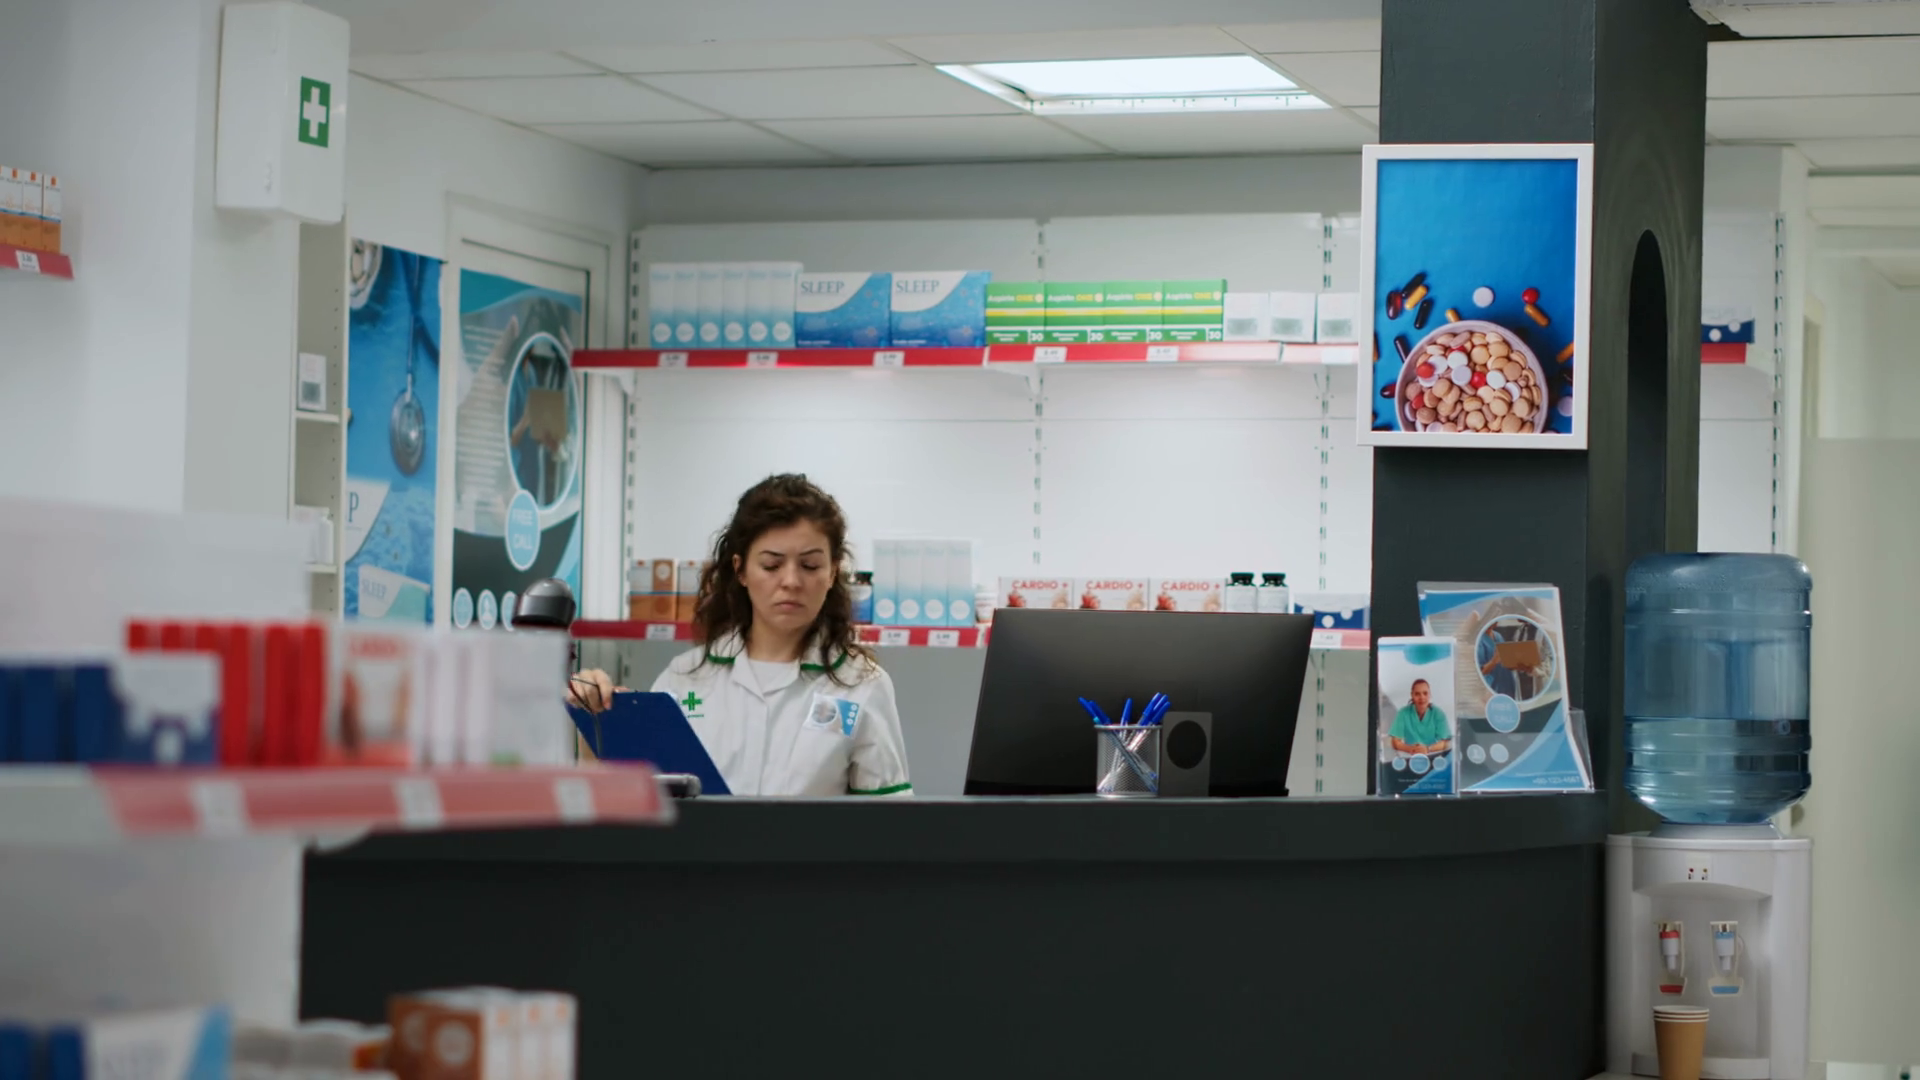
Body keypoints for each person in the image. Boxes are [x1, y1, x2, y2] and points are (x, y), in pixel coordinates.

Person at [571, 474, 911, 797]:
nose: (791, 581)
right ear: (741, 570)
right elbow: (635, 803)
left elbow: (889, 822)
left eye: (810, 566)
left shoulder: (862, 685)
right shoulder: (684, 678)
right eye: (771, 565)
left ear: (833, 572)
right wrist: (596, 720)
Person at [1387, 678, 1450, 756]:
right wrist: (1411, 749)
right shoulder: (1403, 713)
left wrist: (1427, 749)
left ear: (1430, 695)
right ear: (1412, 695)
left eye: (1425, 693)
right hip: (1410, 756)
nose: (1422, 697)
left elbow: (1445, 743)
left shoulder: (1438, 714)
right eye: (1417, 694)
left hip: (1433, 756)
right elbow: (1395, 742)